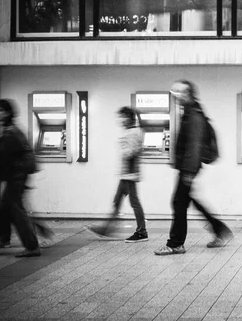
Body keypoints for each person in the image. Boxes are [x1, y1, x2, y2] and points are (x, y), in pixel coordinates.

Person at [154, 80, 232, 255]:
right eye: (174, 94)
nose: (176, 97)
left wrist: (188, 171)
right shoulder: (189, 112)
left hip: (189, 167)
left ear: (188, 94)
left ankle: (175, 243)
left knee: (178, 203)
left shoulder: (194, 116)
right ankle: (220, 230)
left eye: (179, 93)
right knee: (188, 201)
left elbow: (194, 146)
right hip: (187, 166)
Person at [0, 99, 41, 257]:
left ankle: (32, 246)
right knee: (3, 210)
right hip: (16, 178)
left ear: (6, 113)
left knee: (16, 212)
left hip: (16, 178)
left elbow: (7, 160)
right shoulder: (10, 130)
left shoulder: (11, 133)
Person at [86, 107, 148, 242]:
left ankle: (142, 232)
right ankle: (106, 229)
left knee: (134, 203)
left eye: (123, 117)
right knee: (117, 201)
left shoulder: (133, 132)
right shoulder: (131, 131)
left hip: (130, 175)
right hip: (125, 174)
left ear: (129, 118)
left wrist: (123, 145)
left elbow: (131, 153)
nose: (121, 120)